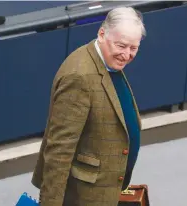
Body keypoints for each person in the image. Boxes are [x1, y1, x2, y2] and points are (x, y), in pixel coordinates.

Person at [32, 6, 146, 206]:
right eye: (121, 46)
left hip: (106, 189)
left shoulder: (109, 61)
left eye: (133, 48)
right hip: (85, 196)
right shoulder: (79, 77)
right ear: (102, 34)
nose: (127, 55)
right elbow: (59, 150)